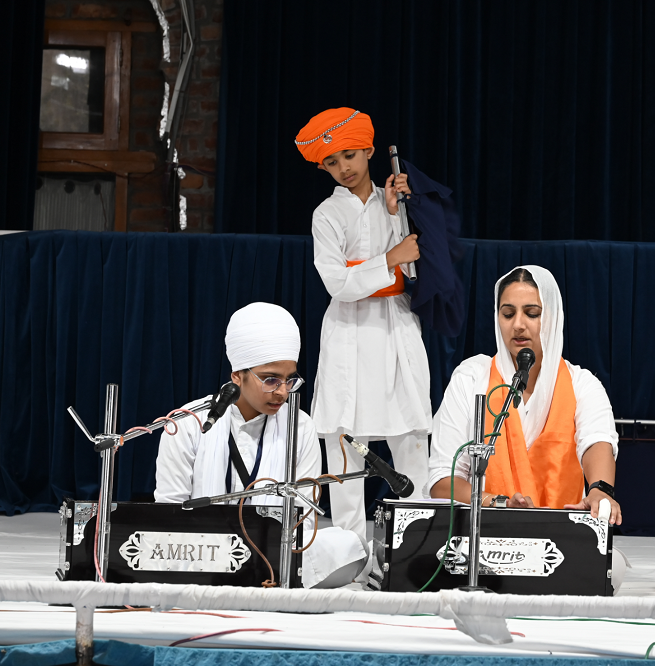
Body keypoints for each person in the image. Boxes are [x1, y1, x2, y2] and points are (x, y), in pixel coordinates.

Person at [154, 302, 368, 589]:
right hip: (200, 551)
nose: (282, 392)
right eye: (270, 379)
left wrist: (275, 559)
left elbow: (302, 517)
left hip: (273, 552)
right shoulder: (188, 423)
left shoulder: (300, 427)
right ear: (237, 377)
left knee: (346, 543)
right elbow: (170, 512)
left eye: (289, 380)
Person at [295, 108, 432, 550]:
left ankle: (417, 545)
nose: (343, 168)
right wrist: (387, 261)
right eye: (331, 163)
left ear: (370, 150)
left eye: (349, 156)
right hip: (349, 330)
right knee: (345, 442)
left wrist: (400, 213)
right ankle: (349, 551)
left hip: (394, 323)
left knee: (409, 433)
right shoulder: (325, 215)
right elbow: (338, 282)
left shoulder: (395, 199)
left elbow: (414, 262)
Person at [429, 266, 622, 524]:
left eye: (532, 313)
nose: (518, 325)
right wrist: (499, 503)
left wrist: (600, 490)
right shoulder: (471, 379)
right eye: (508, 314)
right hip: (483, 536)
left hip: (562, 540)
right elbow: (443, 480)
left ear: (553, 318)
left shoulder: (582, 384)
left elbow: (597, 441)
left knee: (615, 565)